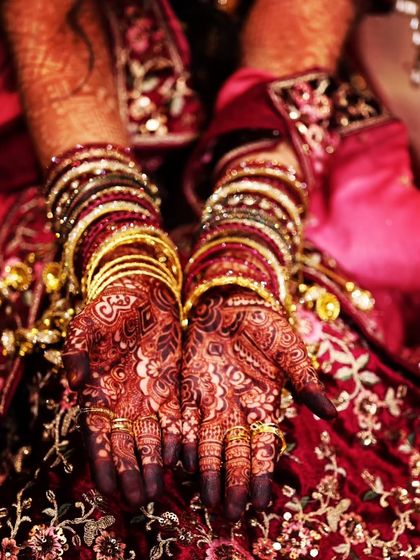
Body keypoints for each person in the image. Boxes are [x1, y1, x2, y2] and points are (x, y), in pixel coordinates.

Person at [0, 1, 418, 559]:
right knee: (93, 395)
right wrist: (119, 251)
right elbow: (55, 21)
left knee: (295, 368)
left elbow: (297, 25)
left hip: (269, 149)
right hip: (63, 149)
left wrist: (244, 261)